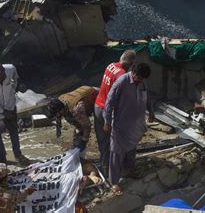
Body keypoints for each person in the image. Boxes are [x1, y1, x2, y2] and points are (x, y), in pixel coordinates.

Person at [103, 63, 154, 195]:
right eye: (140, 78)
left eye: (143, 79)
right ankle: (113, 181)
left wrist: (151, 112)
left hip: (136, 124)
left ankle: (128, 171)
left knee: (131, 148)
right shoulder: (122, 82)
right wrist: (107, 122)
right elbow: (109, 102)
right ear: (134, 73)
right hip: (121, 124)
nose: (141, 81)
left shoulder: (142, 83)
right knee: (117, 152)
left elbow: (146, 98)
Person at [94, 50, 137, 172]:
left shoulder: (111, 65)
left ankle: (105, 167)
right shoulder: (122, 76)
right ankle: (123, 169)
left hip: (97, 106)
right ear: (131, 63)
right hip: (108, 112)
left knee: (103, 141)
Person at [0, 63, 30, 165]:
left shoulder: (11, 69)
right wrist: (4, 112)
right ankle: (2, 158)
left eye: (1, 75)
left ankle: (18, 155)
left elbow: (15, 79)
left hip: (9, 105)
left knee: (13, 131)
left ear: (4, 70)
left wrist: (14, 88)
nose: (0, 78)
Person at [46, 86, 98, 152]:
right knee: (77, 134)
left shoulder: (77, 110)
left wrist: (84, 140)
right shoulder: (60, 101)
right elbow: (58, 117)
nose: (54, 116)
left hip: (96, 96)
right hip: (84, 93)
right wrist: (58, 128)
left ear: (61, 110)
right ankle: (77, 151)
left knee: (99, 130)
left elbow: (87, 126)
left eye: (55, 114)